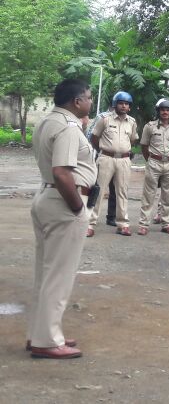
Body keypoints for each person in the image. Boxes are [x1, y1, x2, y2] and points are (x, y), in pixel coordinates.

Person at [27, 79, 95, 359]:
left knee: (46, 273)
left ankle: (41, 332)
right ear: (77, 102)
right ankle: (47, 341)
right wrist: (78, 208)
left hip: (47, 197)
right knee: (59, 276)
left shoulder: (47, 121)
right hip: (63, 202)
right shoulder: (67, 127)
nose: (91, 101)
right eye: (88, 97)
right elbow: (62, 172)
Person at [89, 91, 138, 237]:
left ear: (129, 107)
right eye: (121, 103)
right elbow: (94, 137)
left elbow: (133, 139)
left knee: (122, 192)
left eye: (126, 104)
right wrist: (103, 150)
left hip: (124, 160)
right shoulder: (105, 119)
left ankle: (122, 224)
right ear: (115, 104)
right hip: (106, 158)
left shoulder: (132, 122)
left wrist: (123, 150)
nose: (123, 106)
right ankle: (90, 223)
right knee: (98, 191)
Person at [138, 98, 169, 234]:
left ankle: (166, 224)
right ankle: (144, 225)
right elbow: (144, 146)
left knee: (167, 196)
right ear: (158, 111)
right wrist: (150, 160)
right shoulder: (150, 126)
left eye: (168, 110)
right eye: (162, 110)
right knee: (148, 195)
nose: (165, 112)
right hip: (154, 163)